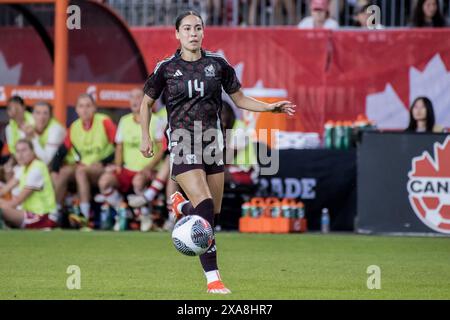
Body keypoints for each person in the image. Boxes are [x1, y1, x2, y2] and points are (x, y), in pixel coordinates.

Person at [139, 10, 295, 294]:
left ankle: (181, 207)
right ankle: (214, 280)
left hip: (212, 142)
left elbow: (240, 98)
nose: (193, 33)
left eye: (198, 28)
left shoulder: (218, 64)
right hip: (183, 141)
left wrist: (270, 107)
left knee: (212, 215)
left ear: (203, 32)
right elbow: (145, 102)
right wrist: (145, 136)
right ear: (177, 34)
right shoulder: (166, 67)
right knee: (206, 205)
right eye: (187, 29)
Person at [94, 88, 167, 232]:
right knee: (104, 181)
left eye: (138, 97)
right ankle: (123, 209)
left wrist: (150, 167)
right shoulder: (124, 120)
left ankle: (145, 216)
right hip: (128, 169)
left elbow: (162, 148)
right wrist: (117, 166)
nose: (135, 100)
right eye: (132, 97)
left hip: (147, 170)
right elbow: (119, 147)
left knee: (138, 181)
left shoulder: (156, 120)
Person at [51, 93, 117, 226]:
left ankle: (84, 216)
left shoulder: (104, 121)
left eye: (88, 106)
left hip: (103, 167)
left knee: (80, 171)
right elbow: (61, 151)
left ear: (94, 108)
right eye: (81, 106)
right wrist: (54, 170)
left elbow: (119, 147)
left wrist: (105, 162)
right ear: (76, 109)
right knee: (63, 172)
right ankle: (54, 213)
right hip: (84, 167)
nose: (85, 109)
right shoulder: (74, 126)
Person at [0, 139, 58, 229]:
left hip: (44, 216)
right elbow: (5, 189)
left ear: (32, 152)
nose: (20, 155)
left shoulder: (37, 168)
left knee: (3, 210)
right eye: (18, 151)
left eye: (24, 150)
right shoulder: (23, 168)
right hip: (30, 213)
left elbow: (17, 201)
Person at [3, 96, 34, 181]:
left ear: (23, 107)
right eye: (10, 108)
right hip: (20, 159)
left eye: (16, 107)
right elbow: (13, 152)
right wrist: (10, 163)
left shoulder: (34, 121)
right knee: (8, 169)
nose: (14, 111)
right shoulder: (9, 128)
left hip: (36, 159)